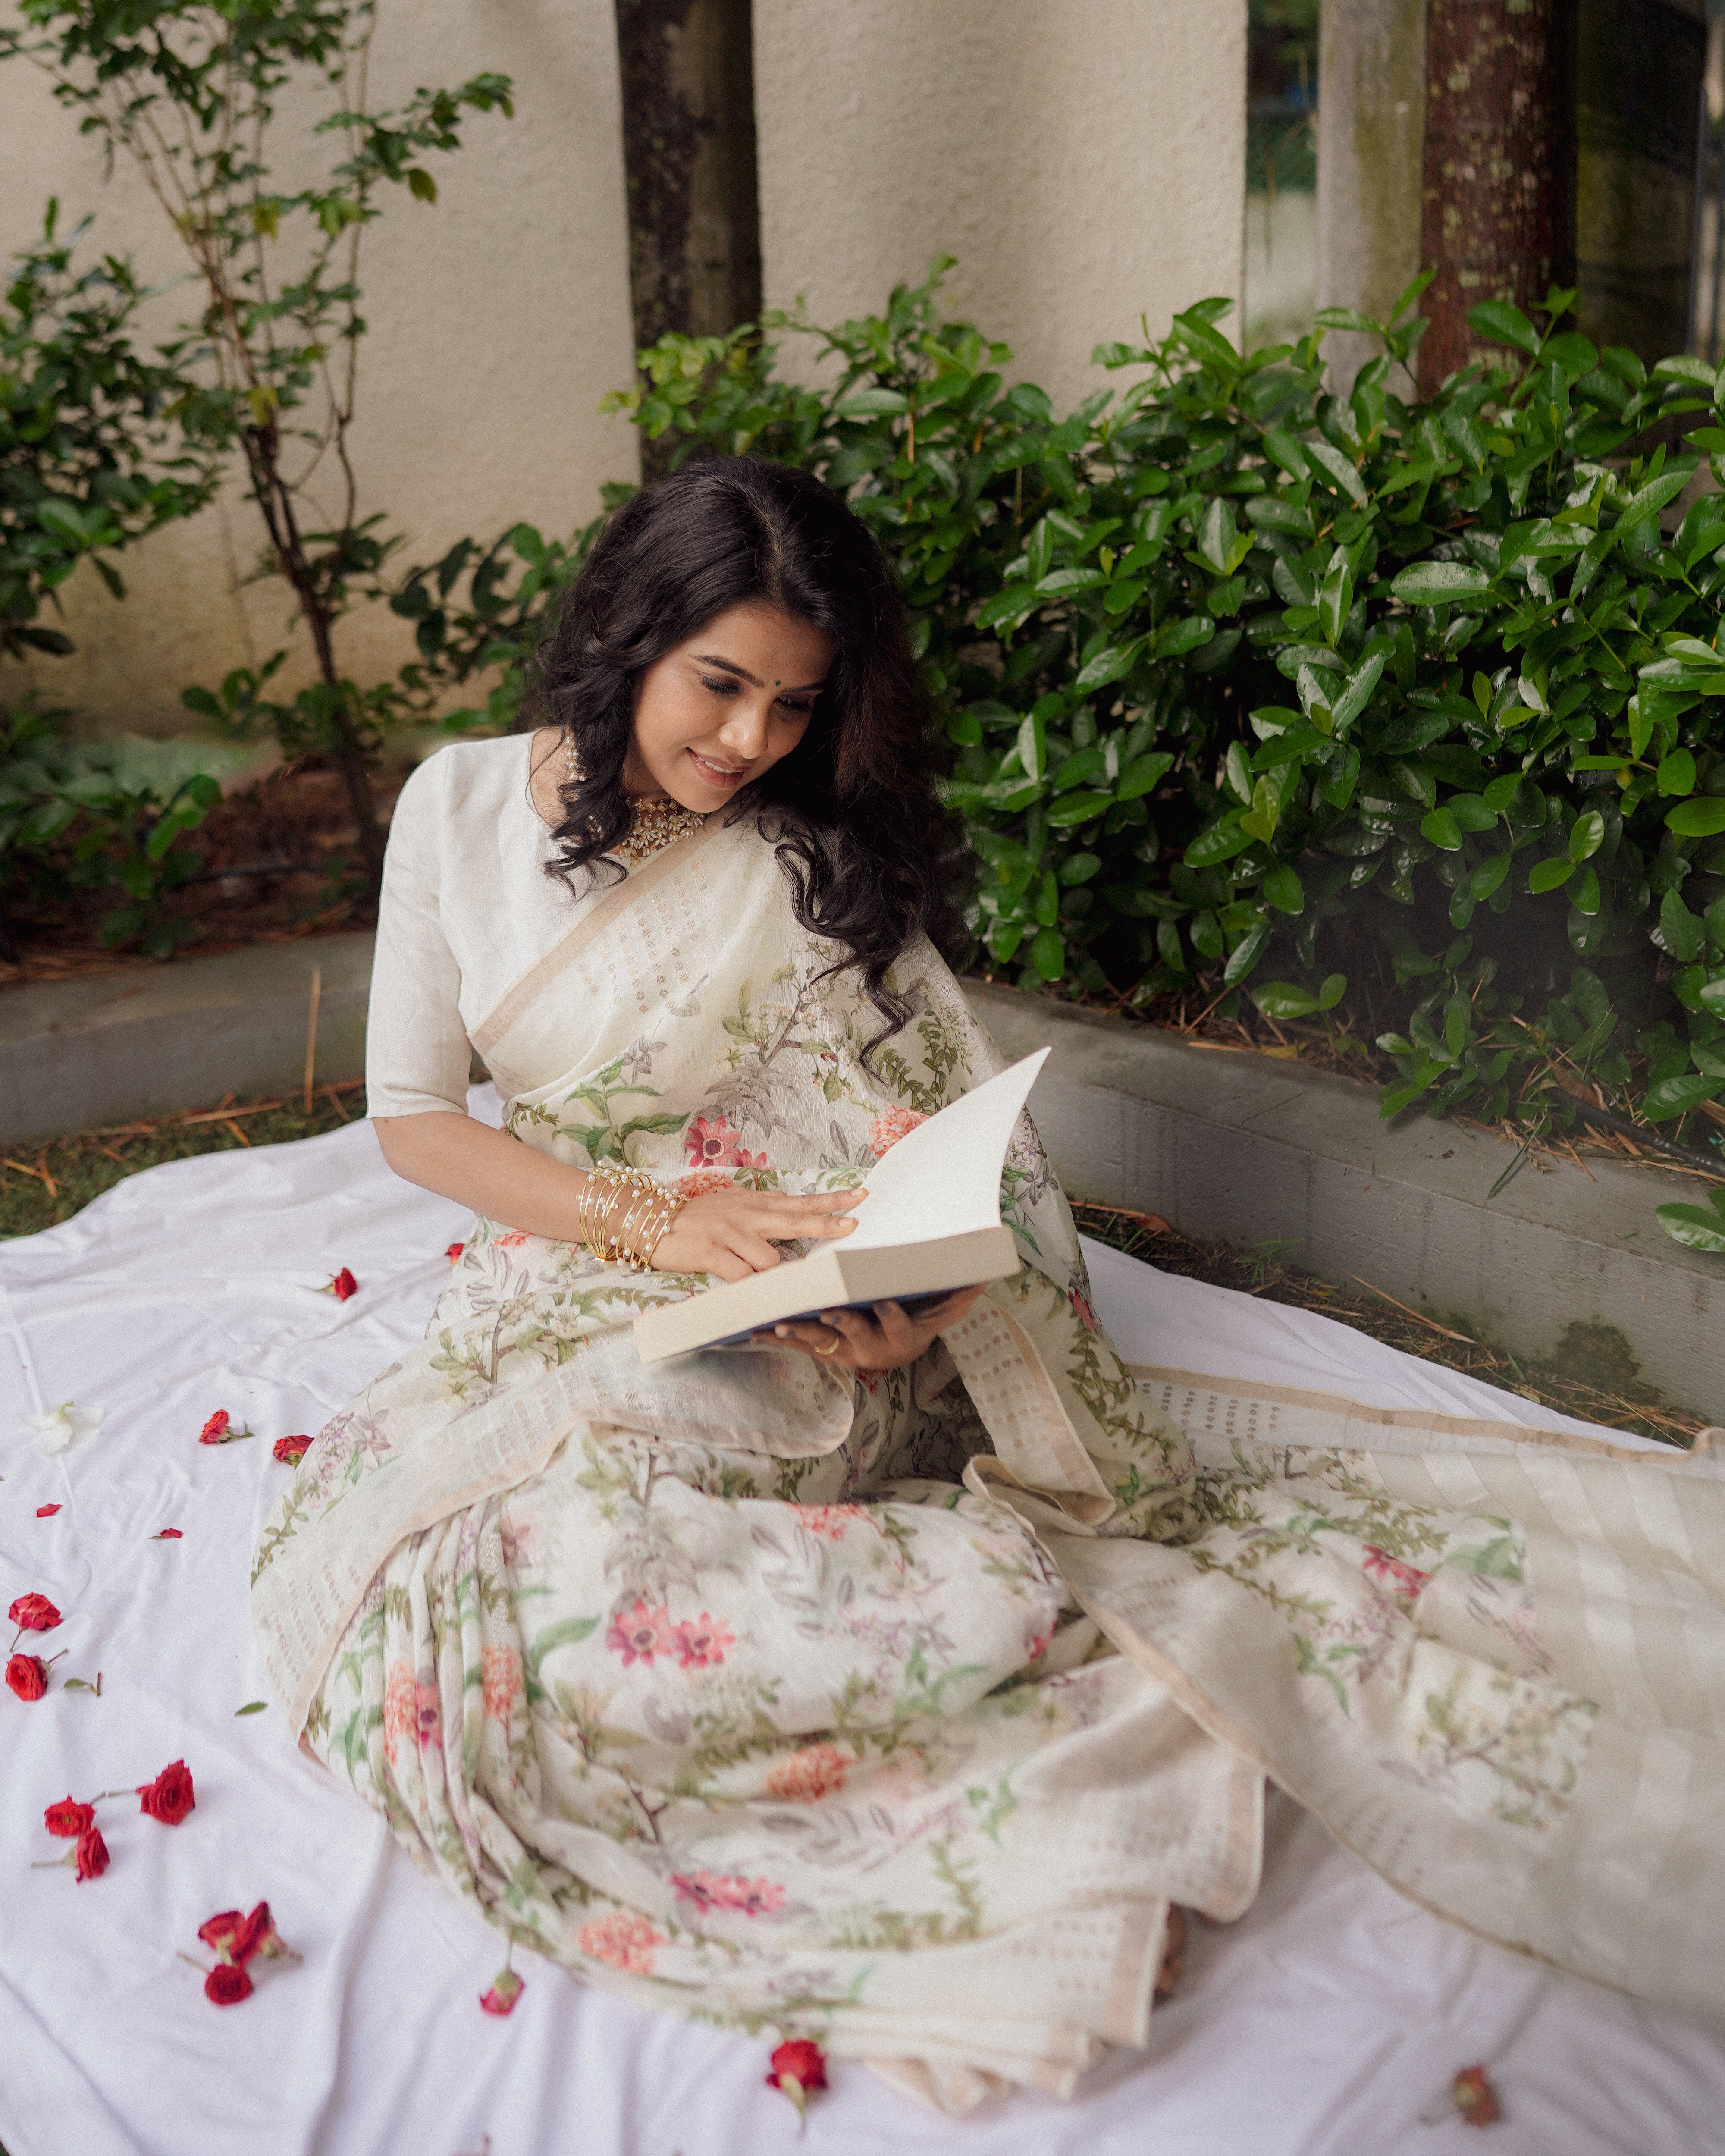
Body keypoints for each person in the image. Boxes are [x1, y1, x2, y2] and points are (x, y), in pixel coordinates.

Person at [254, 456, 1725, 2114]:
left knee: (637, 1579)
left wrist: (902, 1298)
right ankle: (1069, 1814)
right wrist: (650, 1226)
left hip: (798, 1308)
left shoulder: (803, 857)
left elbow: (930, 1134)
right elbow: (418, 1123)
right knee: (486, 1613)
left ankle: (1097, 1758)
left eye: (794, 708)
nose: (747, 744)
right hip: (587, 1251)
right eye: (718, 685)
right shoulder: (454, 808)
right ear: (624, 635)